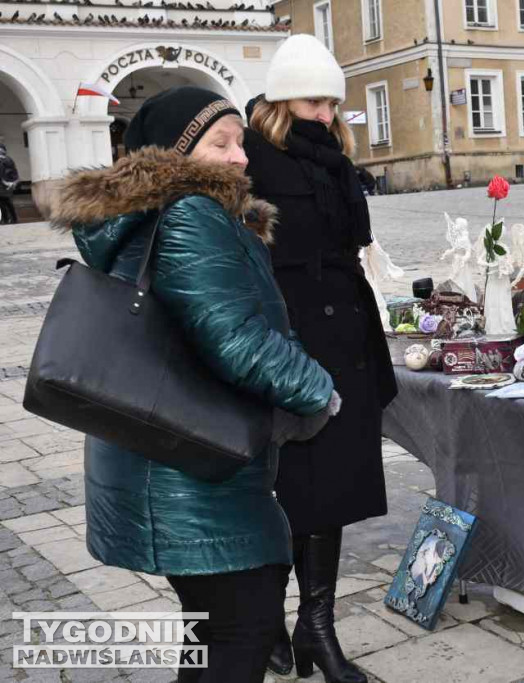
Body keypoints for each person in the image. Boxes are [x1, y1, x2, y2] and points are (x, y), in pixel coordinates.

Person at [50, 86, 339, 682]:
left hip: (161, 457)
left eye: (240, 141)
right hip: (194, 469)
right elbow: (233, 339)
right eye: (221, 144)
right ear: (175, 157)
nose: (241, 157)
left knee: (210, 629)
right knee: (246, 625)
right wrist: (318, 390)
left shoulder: (153, 212)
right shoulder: (192, 211)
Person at [243, 34, 397, 683]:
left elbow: (353, 241)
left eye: (333, 103)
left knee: (330, 489)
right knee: (287, 490)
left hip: (346, 339)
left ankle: (316, 623)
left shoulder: (333, 158)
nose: (327, 115)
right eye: (314, 102)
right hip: (290, 344)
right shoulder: (248, 160)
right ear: (282, 102)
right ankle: (267, 621)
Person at [0, 143, 19, 224]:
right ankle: (6, 219)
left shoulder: (7, 160)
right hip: (3, 183)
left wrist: (12, 182)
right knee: (2, 203)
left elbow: (13, 172)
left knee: (7, 202)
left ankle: (13, 219)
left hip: (6, 184)